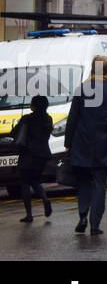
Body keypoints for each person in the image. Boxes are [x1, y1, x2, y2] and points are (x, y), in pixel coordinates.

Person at [64, 56, 107, 235]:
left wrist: (68, 143)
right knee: (99, 183)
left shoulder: (82, 89)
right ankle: (95, 224)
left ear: (93, 69)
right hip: (105, 145)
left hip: (82, 144)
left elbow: (72, 119)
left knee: (83, 182)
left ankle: (82, 215)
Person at [12, 94, 52, 222]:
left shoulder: (27, 118)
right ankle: (45, 198)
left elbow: (15, 133)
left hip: (28, 154)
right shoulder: (48, 119)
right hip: (43, 154)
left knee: (25, 183)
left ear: (33, 106)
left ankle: (29, 214)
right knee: (35, 180)